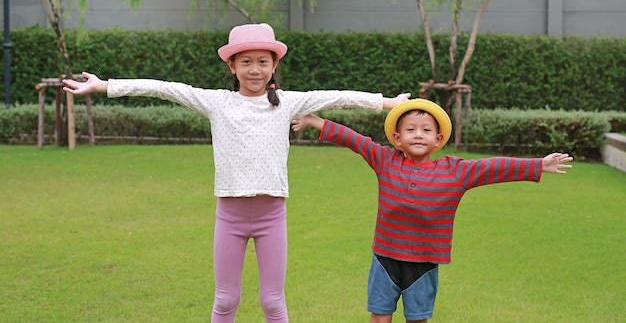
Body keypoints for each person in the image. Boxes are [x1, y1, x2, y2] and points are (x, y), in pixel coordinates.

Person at [62, 23, 410, 323]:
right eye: (246, 62)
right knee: (226, 299)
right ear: (232, 65)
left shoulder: (288, 103)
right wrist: (104, 85)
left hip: (272, 216)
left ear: (274, 65)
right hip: (229, 216)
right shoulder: (217, 102)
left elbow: (337, 97)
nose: (255, 70)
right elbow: (165, 88)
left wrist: (388, 103)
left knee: (272, 301)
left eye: (263, 61)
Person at [291, 98, 573, 323]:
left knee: (418, 317)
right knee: (379, 314)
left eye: (426, 130)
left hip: (423, 263)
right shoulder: (385, 160)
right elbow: (356, 141)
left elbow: (493, 167)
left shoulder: (456, 171)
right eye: (410, 129)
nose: (418, 135)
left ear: (437, 140)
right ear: (397, 138)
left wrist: (538, 165)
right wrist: (316, 121)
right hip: (385, 258)